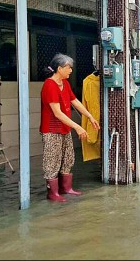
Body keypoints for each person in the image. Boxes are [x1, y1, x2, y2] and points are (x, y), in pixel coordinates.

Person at [40, 53, 100, 202]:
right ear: (59, 68)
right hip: (51, 130)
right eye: (69, 68)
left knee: (67, 158)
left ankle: (66, 188)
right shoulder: (49, 85)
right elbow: (57, 113)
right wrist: (78, 127)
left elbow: (75, 102)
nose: (71, 71)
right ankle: (52, 193)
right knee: (52, 159)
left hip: (64, 129)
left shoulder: (65, 84)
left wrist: (90, 116)